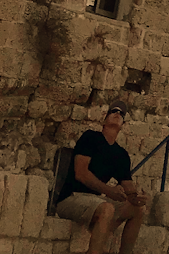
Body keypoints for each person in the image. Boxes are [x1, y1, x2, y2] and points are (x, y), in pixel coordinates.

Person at [56, 103, 148, 254]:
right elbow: (81, 173)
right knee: (107, 209)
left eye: (121, 113)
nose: (118, 113)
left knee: (138, 209)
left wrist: (139, 197)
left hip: (95, 201)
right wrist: (109, 191)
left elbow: (129, 189)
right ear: (103, 120)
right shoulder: (90, 137)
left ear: (123, 125)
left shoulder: (121, 155)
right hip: (71, 198)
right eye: (113, 111)